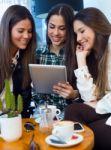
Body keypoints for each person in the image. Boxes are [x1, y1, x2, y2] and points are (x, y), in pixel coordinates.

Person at [64, 7, 111, 149]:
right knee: (72, 111)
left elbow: (95, 102)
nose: (78, 39)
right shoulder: (98, 54)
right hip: (107, 108)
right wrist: (81, 59)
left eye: (82, 31)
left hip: (106, 107)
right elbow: (90, 97)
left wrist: (98, 105)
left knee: (90, 133)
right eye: (76, 34)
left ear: (96, 26)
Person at [33, 3, 79, 116]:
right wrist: (35, 87)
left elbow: (90, 93)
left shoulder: (78, 53)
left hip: (71, 113)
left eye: (62, 28)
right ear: (46, 25)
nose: (56, 33)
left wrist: (74, 94)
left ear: (70, 29)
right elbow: (36, 99)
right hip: (43, 113)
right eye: (52, 27)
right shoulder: (38, 53)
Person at [0, 5, 37, 118]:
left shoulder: (26, 58)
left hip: (14, 120)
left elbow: (23, 102)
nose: (26, 36)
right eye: (20, 31)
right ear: (7, 29)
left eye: (29, 31)